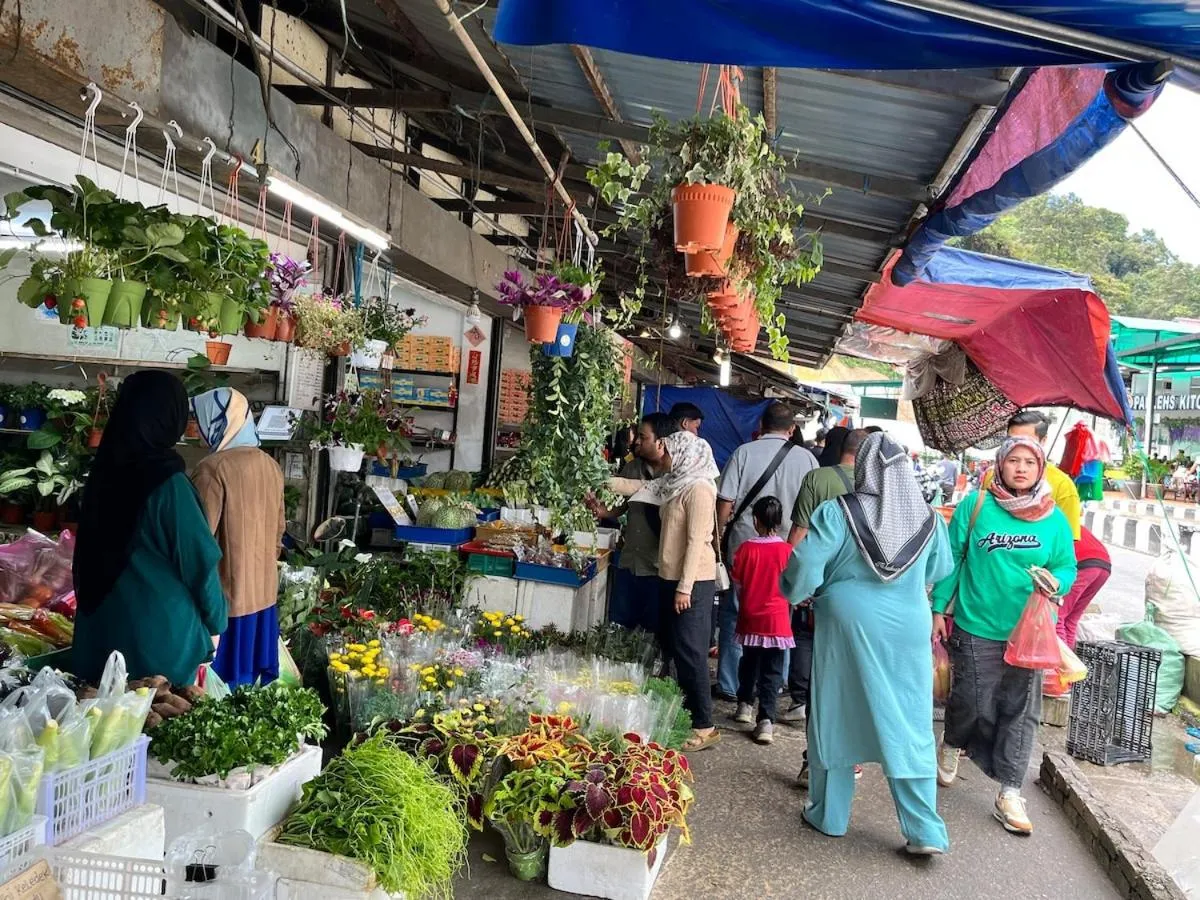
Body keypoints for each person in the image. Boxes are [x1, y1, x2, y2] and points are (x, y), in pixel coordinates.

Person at [781, 432, 954, 856]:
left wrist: (794, 590)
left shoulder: (838, 511)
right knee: (909, 720)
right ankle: (924, 831)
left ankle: (829, 815)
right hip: (908, 627)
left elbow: (804, 562)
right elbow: (942, 567)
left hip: (846, 623)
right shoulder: (930, 519)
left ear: (863, 470)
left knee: (835, 712)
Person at [932, 436, 1077, 836]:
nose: (1021, 469)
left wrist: (1055, 582)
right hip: (976, 623)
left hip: (1029, 632)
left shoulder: (1053, 519)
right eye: (1013, 460)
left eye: (1030, 463)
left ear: (1040, 469)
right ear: (1000, 464)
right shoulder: (976, 506)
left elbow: (1067, 566)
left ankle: (1010, 791)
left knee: (1020, 709)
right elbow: (952, 558)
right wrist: (939, 608)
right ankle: (953, 741)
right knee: (973, 700)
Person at [72, 371, 227, 686]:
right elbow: (198, 562)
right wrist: (217, 622)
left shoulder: (104, 474)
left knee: (104, 727)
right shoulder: (169, 485)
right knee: (154, 726)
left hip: (100, 635)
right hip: (157, 644)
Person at [614, 430, 721, 751]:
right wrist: (596, 479)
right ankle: (688, 715)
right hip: (671, 579)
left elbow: (695, 543)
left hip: (692, 583)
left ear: (686, 454)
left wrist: (684, 589)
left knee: (690, 652)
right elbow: (638, 487)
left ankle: (705, 725)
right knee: (675, 647)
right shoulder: (676, 484)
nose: (665, 458)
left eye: (669, 452)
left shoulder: (699, 489)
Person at [715, 403, 818, 699]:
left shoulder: (743, 453)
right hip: (789, 550)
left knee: (736, 614)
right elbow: (812, 514)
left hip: (745, 546)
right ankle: (772, 686)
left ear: (760, 424)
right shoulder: (807, 459)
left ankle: (730, 685)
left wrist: (719, 535)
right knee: (781, 617)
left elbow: (725, 502)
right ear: (792, 429)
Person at [191, 388, 286, 688]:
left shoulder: (212, 469)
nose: (196, 428)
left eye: (200, 419)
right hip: (264, 597)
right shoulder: (270, 465)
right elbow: (279, 533)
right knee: (247, 688)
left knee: (216, 688)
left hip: (227, 602)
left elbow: (198, 540)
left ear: (219, 421)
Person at [783, 428, 867, 725]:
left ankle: (802, 704)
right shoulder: (874, 485)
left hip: (817, 586)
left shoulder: (817, 479)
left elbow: (798, 534)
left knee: (806, 642)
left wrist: (792, 587)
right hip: (858, 593)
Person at [591, 413, 678, 633]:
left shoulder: (677, 475)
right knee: (620, 625)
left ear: (661, 442)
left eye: (642, 436)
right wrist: (599, 509)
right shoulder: (632, 468)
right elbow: (620, 507)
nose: (636, 441)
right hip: (629, 563)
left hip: (658, 569)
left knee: (654, 631)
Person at [730, 496, 794, 746]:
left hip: (750, 619)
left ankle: (745, 704)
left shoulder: (746, 549)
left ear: (755, 520)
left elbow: (738, 583)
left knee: (749, 664)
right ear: (779, 521)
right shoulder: (787, 552)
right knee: (773, 672)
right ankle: (766, 720)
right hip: (777, 623)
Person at [989, 410, 1082, 539]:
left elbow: (1067, 543)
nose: (1017, 445)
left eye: (1026, 441)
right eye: (1012, 440)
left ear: (1043, 441)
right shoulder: (991, 478)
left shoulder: (1063, 486)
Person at [1056, 527, 1111, 649]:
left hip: (1082, 564)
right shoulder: (1069, 520)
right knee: (1071, 619)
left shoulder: (1047, 521)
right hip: (1104, 565)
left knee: (1056, 616)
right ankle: (1071, 664)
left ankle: (1062, 665)